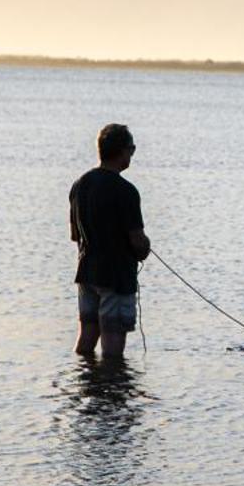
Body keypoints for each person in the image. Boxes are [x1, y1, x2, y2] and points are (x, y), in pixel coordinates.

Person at [71, 123, 151, 358]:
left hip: (87, 273)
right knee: (113, 341)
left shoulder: (80, 185)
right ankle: (112, 388)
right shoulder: (126, 191)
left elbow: (75, 236)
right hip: (116, 277)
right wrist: (145, 247)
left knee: (87, 336)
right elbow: (138, 241)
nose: (132, 154)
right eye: (132, 149)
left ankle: (84, 382)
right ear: (122, 151)